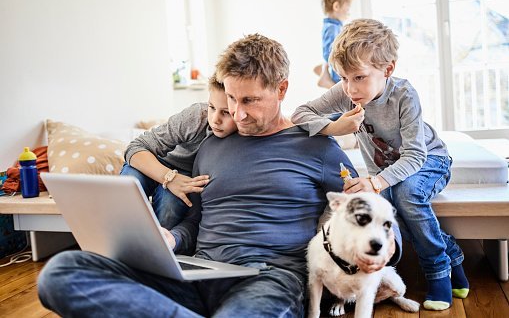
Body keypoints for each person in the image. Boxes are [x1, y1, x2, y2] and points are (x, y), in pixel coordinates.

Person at [37, 33, 402, 317]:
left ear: (282, 89)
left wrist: (388, 250)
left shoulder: (317, 147)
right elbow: (196, 219)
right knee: (63, 271)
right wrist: (172, 240)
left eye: (250, 101)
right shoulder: (210, 145)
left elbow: (372, 207)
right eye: (231, 99)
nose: (237, 114)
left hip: (269, 278)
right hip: (197, 273)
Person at [292, 18, 469, 311]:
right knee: (390, 208)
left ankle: (437, 268)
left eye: (359, 77)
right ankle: (454, 255)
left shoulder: (404, 95)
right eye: (343, 78)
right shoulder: (346, 91)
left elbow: (415, 156)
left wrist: (375, 182)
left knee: (407, 195)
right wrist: (335, 128)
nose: (349, 88)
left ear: (387, 69)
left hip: (429, 161)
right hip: (384, 173)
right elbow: (300, 114)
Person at [120, 74, 237, 229]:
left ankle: (156, 247)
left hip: (186, 176)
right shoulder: (197, 116)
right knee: (129, 184)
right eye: (212, 107)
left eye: (226, 112)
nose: (215, 119)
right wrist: (169, 177)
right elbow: (135, 147)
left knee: (170, 206)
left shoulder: (241, 138)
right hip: (157, 160)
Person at [315, 0, 356, 89]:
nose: (348, 13)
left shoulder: (333, 26)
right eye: (347, 9)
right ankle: (326, 78)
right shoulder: (332, 28)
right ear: (336, 6)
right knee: (344, 92)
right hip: (337, 70)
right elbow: (331, 52)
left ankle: (324, 70)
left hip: (334, 67)